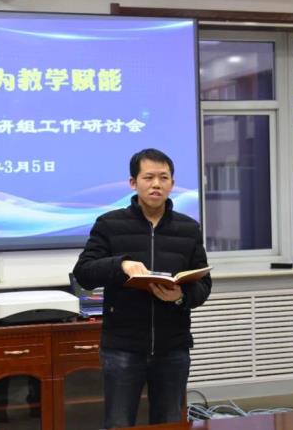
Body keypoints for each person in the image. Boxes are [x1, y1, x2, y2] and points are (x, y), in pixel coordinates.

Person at [72, 148, 211, 428]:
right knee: (119, 422)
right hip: (123, 347)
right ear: (133, 183)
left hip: (172, 346)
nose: (156, 184)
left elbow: (203, 284)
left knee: (169, 422)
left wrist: (181, 296)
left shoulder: (188, 228)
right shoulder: (110, 224)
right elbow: (84, 273)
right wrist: (120, 264)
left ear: (172, 183)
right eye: (148, 177)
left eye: (163, 177)